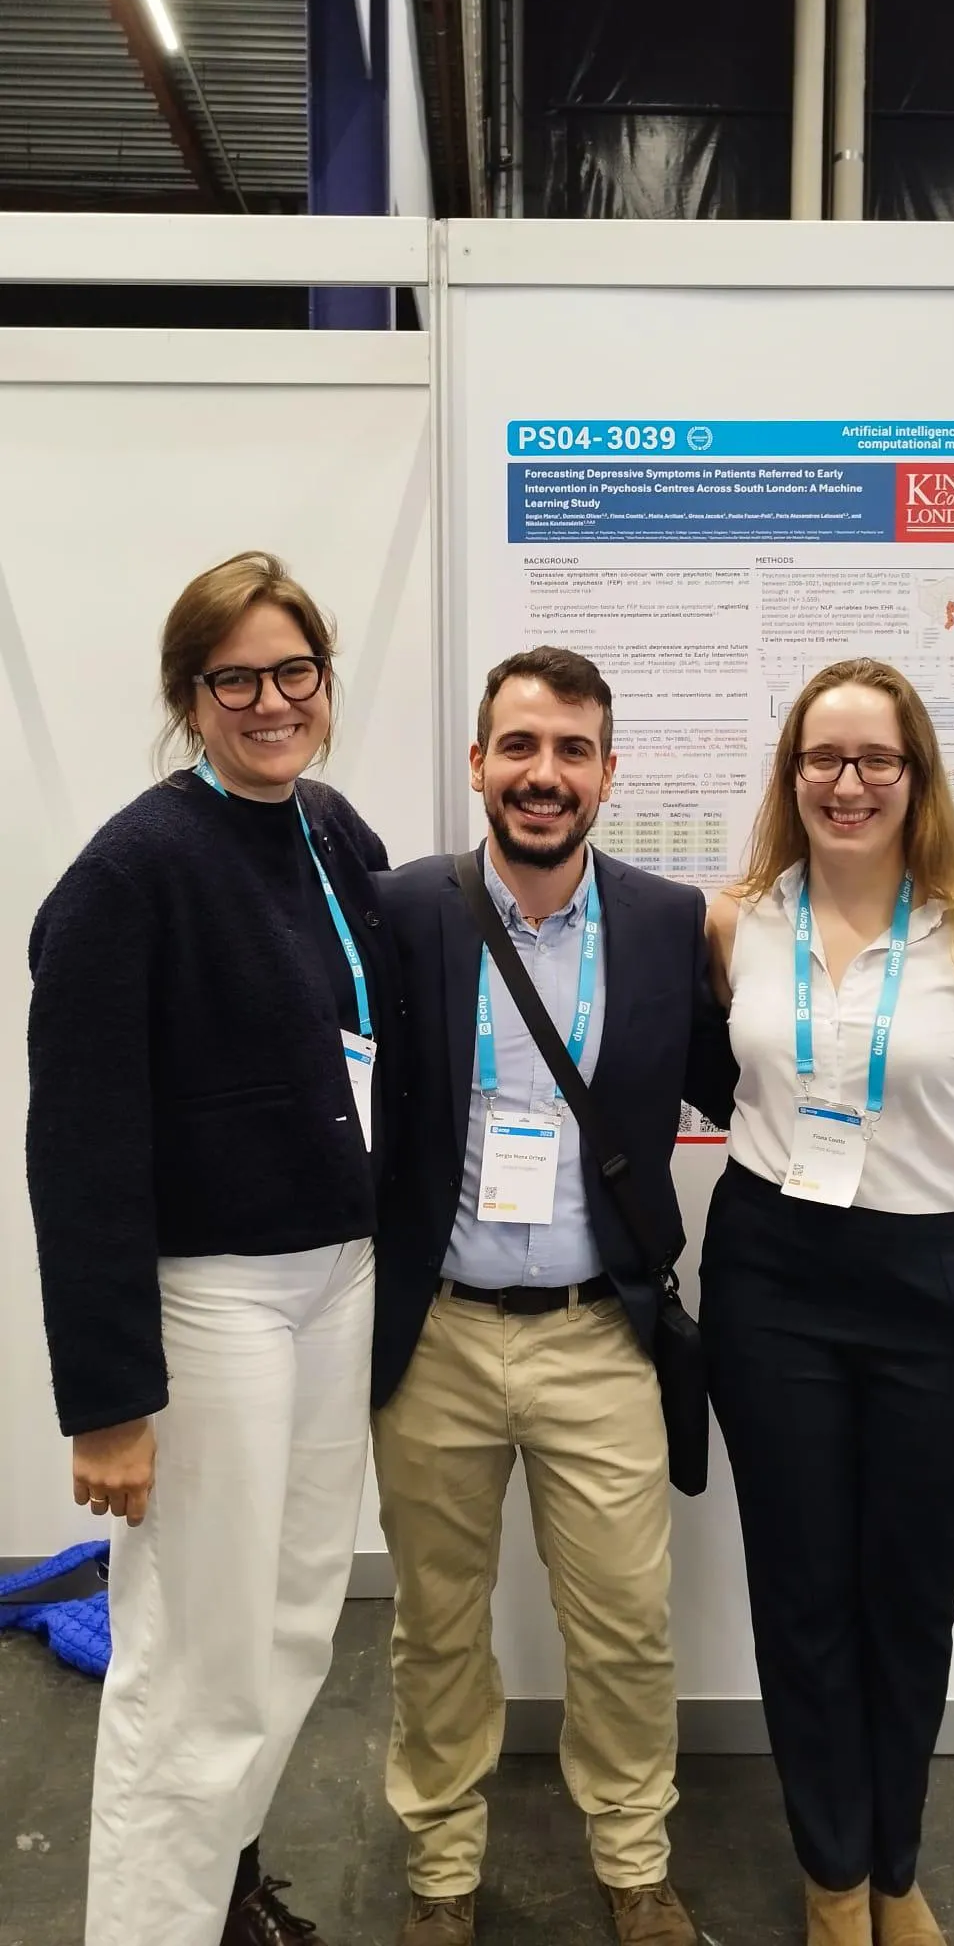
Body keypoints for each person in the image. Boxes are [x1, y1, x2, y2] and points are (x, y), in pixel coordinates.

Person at [25, 551, 402, 1946]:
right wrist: (111, 1405)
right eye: (233, 678)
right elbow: (77, 1161)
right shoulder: (130, 875)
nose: (269, 700)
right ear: (191, 698)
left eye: (291, 671)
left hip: (338, 1280)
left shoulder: (332, 833)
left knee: (297, 1624)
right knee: (192, 1664)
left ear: (322, 680)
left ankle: (215, 1895)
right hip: (213, 1306)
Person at [700, 658, 954, 1946]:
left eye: (874, 762)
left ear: (916, 779)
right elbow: (719, 1080)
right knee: (799, 1590)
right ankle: (833, 1875)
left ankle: (897, 1867)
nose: (846, 784)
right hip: (774, 1282)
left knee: (910, 1593)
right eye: (821, 760)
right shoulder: (734, 920)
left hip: (938, 1286)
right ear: (789, 774)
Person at [371, 646, 737, 1946]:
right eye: (518, 747)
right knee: (435, 1625)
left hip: (599, 1338)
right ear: (478, 764)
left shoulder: (664, 921)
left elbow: (738, 1082)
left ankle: (634, 1865)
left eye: (570, 750)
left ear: (606, 773)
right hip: (438, 1344)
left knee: (626, 1630)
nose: (542, 774)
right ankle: (442, 1868)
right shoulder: (405, 910)